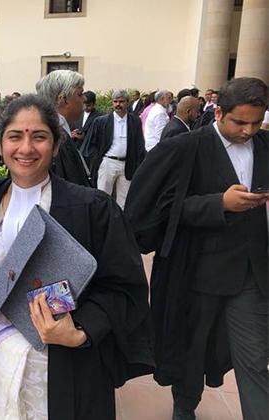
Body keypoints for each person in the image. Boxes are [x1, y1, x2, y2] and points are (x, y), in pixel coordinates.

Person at [0, 94, 153, 419]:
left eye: (39, 136)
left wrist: (80, 331)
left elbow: (125, 289)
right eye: (15, 136)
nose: (26, 149)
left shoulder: (92, 209)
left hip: (59, 368)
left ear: (56, 146)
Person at [125, 77, 269, 420]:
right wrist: (218, 203)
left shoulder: (265, 147)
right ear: (218, 111)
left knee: (254, 357)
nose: (248, 131)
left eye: (256, 122)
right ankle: (184, 407)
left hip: (251, 274)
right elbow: (150, 211)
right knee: (191, 349)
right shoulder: (184, 147)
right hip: (195, 274)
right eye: (239, 122)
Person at [81, 89, 146, 208]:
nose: (118, 104)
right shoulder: (101, 121)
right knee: (102, 197)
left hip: (127, 164)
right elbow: (91, 144)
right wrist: (97, 161)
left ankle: (119, 224)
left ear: (127, 102)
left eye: (121, 101)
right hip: (108, 163)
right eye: (115, 101)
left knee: (124, 200)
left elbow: (139, 144)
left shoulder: (135, 121)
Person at [36, 69, 92, 187]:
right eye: (80, 94)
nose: (84, 99)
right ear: (63, 99)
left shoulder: (56, 132)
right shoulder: (56, 139)